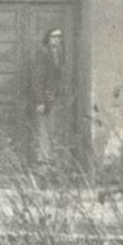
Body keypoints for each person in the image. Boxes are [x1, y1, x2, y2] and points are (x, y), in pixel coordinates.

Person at [27, 27, 71, 170]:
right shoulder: (43, 53)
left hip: (55, 98)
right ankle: (43, 164)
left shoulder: (59, 53)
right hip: (45, 99)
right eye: (53, 37)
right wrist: (40, 100)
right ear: (48, 38)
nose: (57, 40)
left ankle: (52, 162)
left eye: (59, 37)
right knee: (43, 131)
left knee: (53, 130)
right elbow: (37, 78)